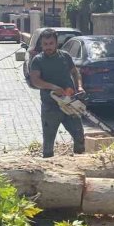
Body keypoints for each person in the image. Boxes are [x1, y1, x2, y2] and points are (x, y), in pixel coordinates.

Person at [28, 29, 85, 158]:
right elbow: (35, 80)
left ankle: (80, 160)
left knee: (79, 135)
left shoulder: (65, 56)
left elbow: (75, 73)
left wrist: (79, 87)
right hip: (51, 106)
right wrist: (52, 87)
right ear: (42, 45)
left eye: (51, 43)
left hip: (70, 103)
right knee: (48, 142)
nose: (48, 46)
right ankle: (48, 165)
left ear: (56, 43)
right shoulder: (38, 60)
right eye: (45, 44)